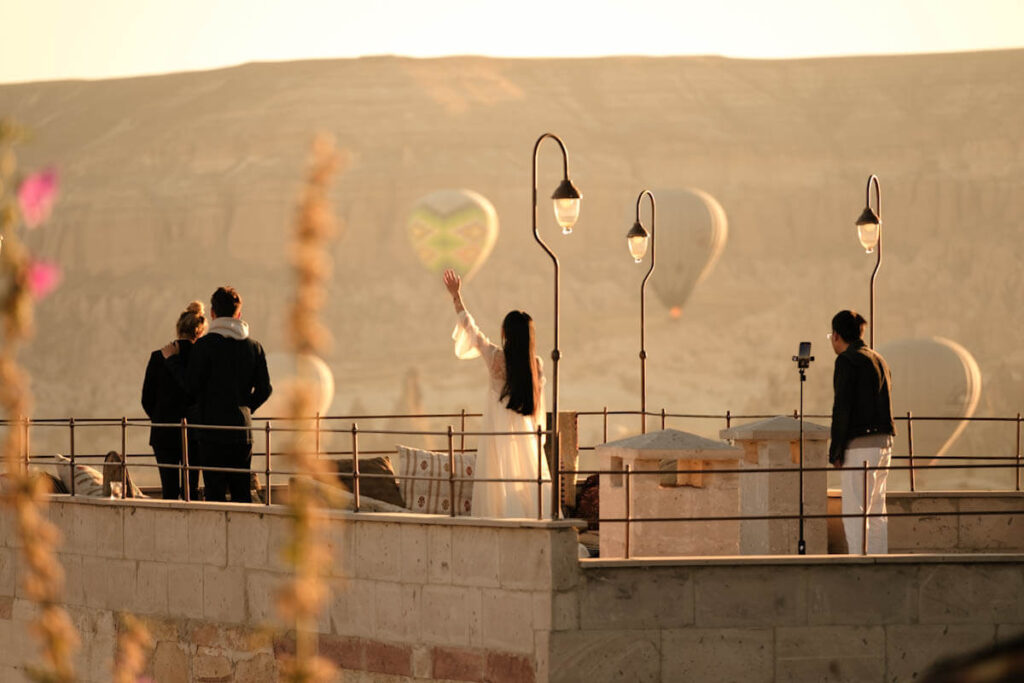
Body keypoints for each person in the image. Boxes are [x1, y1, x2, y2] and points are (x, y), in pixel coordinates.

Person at [442, 268, 552, 518]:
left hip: (497, 439)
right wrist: (538, 438)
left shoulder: (495, 359)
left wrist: (456, 296)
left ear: (506, 334)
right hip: (526, 440)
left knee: (498, 488)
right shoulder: (536, 364)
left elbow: (471, 330)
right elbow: (540, 409)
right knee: (529, 491)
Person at [184, 286, 272, 503]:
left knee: (214, 492)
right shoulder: (255, 347)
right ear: (239, 314)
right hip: (241, 429)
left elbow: (191, 387)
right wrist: (245, 407)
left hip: (210, 429)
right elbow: (265, 389)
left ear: (212, 313)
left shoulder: (203, 346)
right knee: (242, 491)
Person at [829, 309, 895, 554]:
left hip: (860, 446)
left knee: (855, 510)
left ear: (836, 335)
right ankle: (879, 560)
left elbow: (842, 407)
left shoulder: (847, 360)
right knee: (877, 508)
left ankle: (858, 562)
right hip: (884, 443)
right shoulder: (879, 359)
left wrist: (836, 450)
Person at [141, 300, 207, 500]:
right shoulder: (203, 357)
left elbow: (146, 399)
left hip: (163, 433)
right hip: (195, 433)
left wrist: (160, 417)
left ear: (179, 329)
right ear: (200, 331)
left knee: (168, 490)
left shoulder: (158, 357)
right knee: (192, 490)